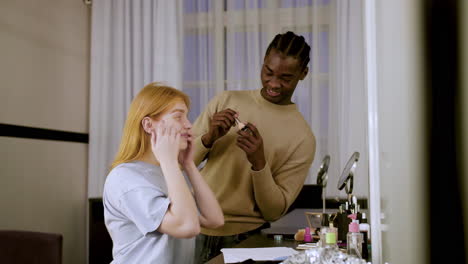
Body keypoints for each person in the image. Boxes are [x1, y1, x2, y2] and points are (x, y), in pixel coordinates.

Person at [192, 31, 317, 263]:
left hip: (248, 241)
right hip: (194, 230)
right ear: (263, 63)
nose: (274, 83)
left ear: (303, 74)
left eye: (286, 78)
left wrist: (259, 162)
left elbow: (274, 211)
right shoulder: (225, 100)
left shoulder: (303, 137)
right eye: (268, 73)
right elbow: (182, 160)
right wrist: (208, 138)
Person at [103, 83, 224, 264]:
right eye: (178, 117)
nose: (188, 125)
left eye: (187, 117)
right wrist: (169, 161)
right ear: (148, 124)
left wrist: (188, 164)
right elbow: (187, 227)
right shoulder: (126, 178)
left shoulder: (168, 172)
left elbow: (214, 219)